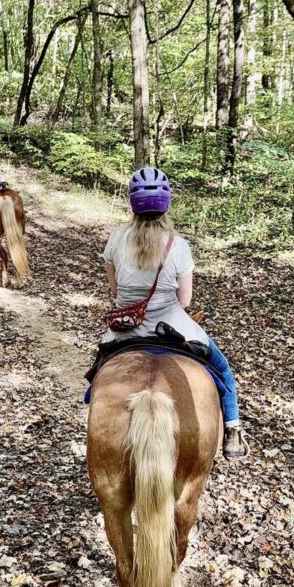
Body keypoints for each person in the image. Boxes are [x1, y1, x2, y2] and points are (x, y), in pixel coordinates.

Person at [102, 166, 248, 461]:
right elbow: (185, 299)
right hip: (171, 324)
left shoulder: (116, 240)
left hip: (127, 328)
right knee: (222, 367)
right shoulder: (178, 245)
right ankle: (233, 429)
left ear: (132, 202)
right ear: (166, 203)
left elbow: (115, 293)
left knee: (98, 369)